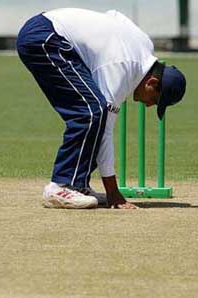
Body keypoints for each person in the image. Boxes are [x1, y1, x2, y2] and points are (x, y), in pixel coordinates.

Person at [17, 8, 186, 210]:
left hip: (54, 34)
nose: (149, 105)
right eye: (155, 100)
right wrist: (113, 191)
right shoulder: (121, 68)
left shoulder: (145, 47)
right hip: (45, 37)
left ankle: (78, 184)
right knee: (91, 112)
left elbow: (114, 14)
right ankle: (59, 186)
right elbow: (105, 129)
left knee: (94, 111)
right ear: (151, 82)